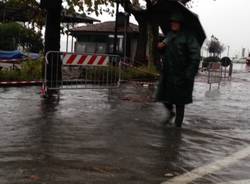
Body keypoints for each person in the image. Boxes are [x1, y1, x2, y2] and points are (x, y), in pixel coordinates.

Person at [156, 13, 201, 127]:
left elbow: (195, 57)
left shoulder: (189, 37)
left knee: (180, 102)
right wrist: (160, 47)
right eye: (172, 22)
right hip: (168, 74)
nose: (173, 24)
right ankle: (171, 113)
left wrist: (189, 74)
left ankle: (177, 130)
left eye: (176, 22)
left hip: (182, 74)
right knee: (163, 97)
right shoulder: (169, 35)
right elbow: (164, 52)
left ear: (181, 24)